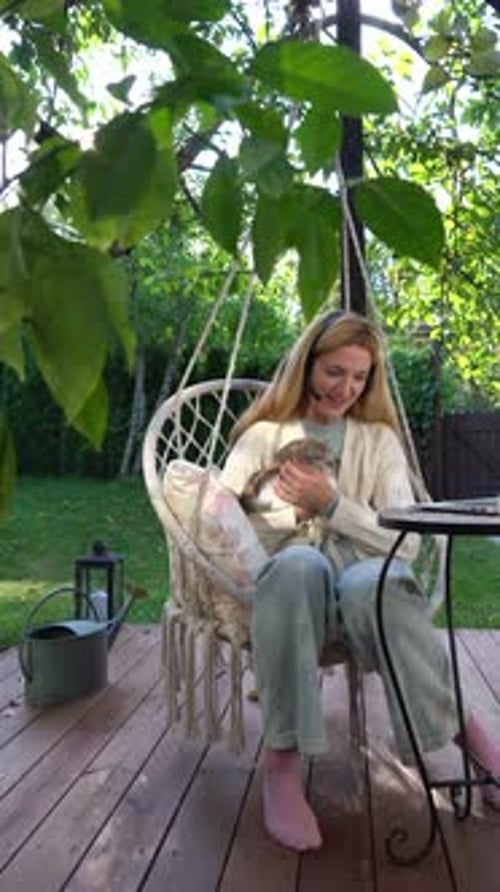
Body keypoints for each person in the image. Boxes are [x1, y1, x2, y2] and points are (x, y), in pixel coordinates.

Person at [218, 309, 500, 852]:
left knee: (378, 583)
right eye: (333, 372)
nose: (345, 388)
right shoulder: (263, 436)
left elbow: (407, 539)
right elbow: (224, 515)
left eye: (359, 376)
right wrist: (279, 528)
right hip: (290, 588)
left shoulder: (379, 440)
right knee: (300, 567)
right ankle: (280, 765)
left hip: (363, 581)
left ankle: (474, 742)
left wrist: (334, 505)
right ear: (306, 365)